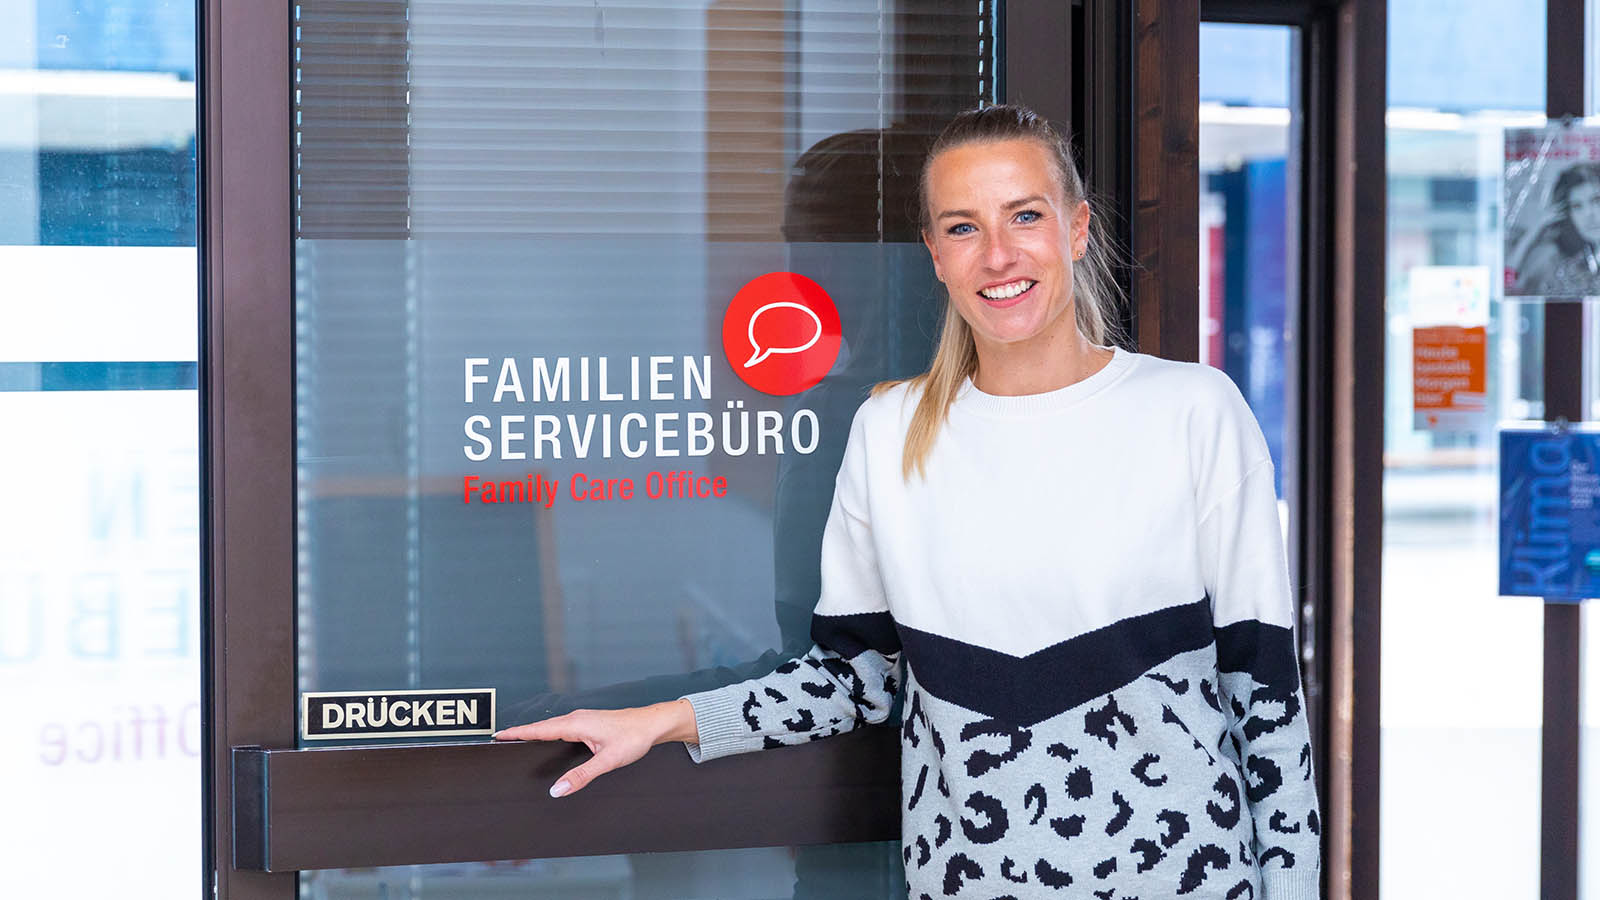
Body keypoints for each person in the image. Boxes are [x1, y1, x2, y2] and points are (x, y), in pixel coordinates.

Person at [495, 104, 1322, 900]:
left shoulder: (1193, 412)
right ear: (932, 253)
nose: (997, 254)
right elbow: (849, 682)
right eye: (964, 227)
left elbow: (1267, 703)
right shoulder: (888, 431)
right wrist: (660, 721)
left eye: (1024, 217)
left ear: (1075, 229)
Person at [1508, 161, 1600, 296]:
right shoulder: (1563, 263)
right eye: (1577, 206)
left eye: (1597, 200)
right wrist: (1536, 229)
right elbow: (1507, 284)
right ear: (1567, 215)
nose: (1589, 215)